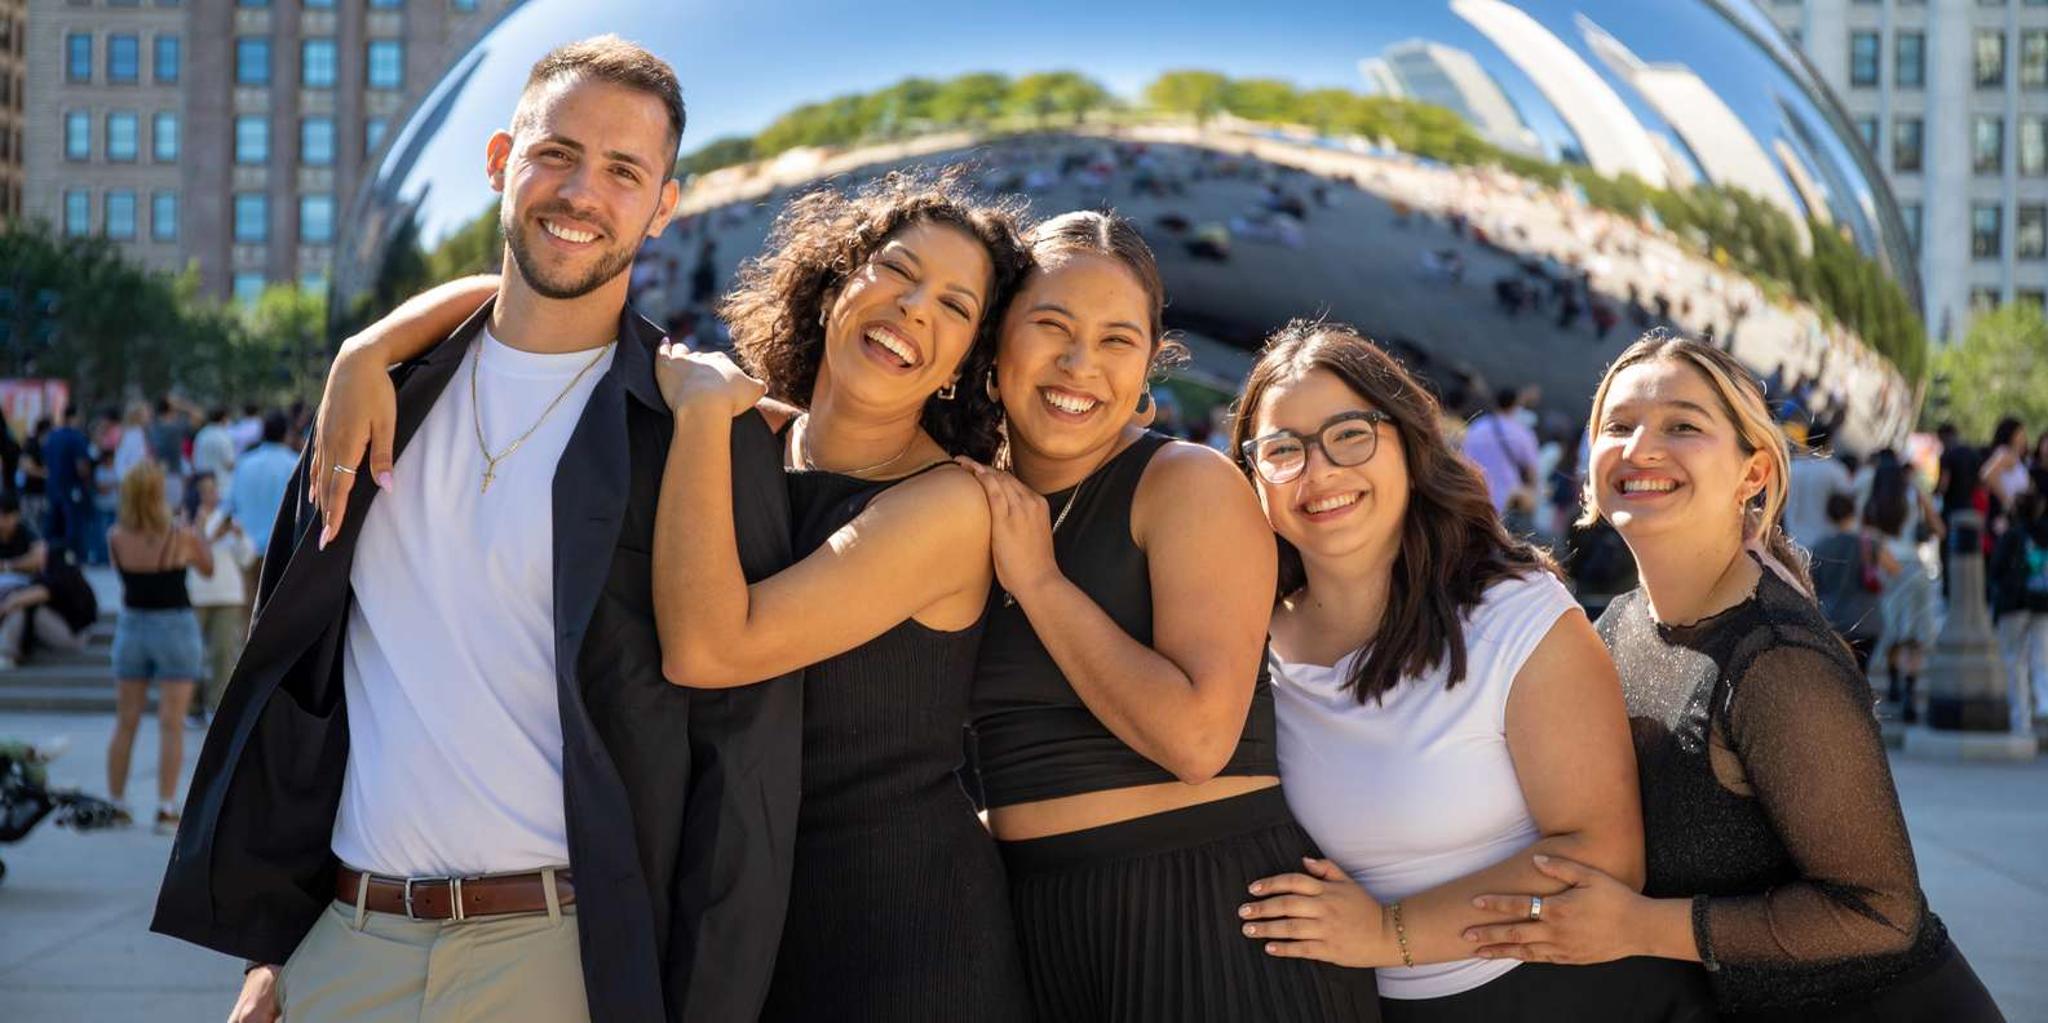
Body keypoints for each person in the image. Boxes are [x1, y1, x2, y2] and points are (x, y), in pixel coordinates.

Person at [154, 37, 795, 1023]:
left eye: (623, 171)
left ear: (664, 204)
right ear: (501, 160)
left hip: (559, 958)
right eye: (556, 153)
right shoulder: (377, 404)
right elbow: (305, 689)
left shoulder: (696, 434)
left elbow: (737, 764)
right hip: (347, 946)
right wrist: (276, 947)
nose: (581, 193)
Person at [1462, 332, 2002, 1022]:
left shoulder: (1777, 659)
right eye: (1619, 426)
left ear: (1753, 474)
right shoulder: (1618, 625)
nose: (1640, 448)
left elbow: (1882, 912)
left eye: (1682, 425)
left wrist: (1636, 924)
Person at [960, 214, 1379, 1020]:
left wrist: (1040, 582)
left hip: (1214, 914)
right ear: (995, 341)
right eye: (1051, 326)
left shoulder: (1186, 483)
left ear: (1150, 363)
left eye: (1118, 339)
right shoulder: (966, 494)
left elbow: (1196, 740)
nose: (1080, 364)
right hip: (1037, 926)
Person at [1232, 322, 1709, 1021]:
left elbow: (1604, 856)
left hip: (1556, 998)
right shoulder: (1247, 635)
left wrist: (1382, 930)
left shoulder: (1509, 612)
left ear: (1408, 444)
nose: (1319, 471)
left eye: (1349, 435)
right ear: (1252, 476)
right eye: (1283, 449)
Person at [653, 170, 1034, 1022]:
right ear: (835, 284)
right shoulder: (758, 443)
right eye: (897, 271)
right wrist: (371, 350)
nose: (914, 308)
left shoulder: (947, 508)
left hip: (904, 942)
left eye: (955, 305)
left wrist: (703, 420)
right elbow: (560, 304)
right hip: (751, 925)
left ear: (961, 366)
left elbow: (708, 649)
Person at [105, 461, 211, 831]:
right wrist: (197, 529)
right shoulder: (179, 534)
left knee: (126, 722)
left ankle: (116, 802)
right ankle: (166, 807)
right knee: (172, 724)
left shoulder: (116, 535)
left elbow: (122, 575)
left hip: (132, 626)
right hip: (175, 628)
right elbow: (208, 567)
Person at [1864, 452, 1939, 723]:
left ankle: (1894, 680)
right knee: (1915, 633)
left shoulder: (1874, 499)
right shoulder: (1914, 493)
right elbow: (1937, 527)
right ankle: (1909, 690)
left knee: (1893, 627)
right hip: (1914, 566)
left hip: (1887, 566)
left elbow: (1867, 536)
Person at [183, 472, 257, 722]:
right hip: (195, 596)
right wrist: (204, 533)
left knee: (223, 653)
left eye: (213, 489)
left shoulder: (228, 521)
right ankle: (192, 707)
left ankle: (217, 709)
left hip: (227, 596)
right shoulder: (187, 522)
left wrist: (236, 536)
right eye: (205, 490)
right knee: (192, 656)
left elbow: (247, 557)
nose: (211, 495)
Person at [1808, 491, 1891, 675]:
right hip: (1867, 618)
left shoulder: (1819, 547)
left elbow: (1812, 585)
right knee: (1862, 673)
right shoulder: (1868, 543)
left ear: (1828, 515)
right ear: (1854, 513)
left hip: (1832, 620)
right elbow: (1895, 568)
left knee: (1841, 676)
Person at [1989, 491, 2048, 736]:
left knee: (2014, 661)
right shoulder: (2044, 534)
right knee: (2041, 658)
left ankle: (2021, 720)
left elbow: (1995, 569)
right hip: (2043, 603)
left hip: (2013, 605)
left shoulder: (2010, 535)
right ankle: (2044, 704)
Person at [226, 411, 298, 598]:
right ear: (287, 434)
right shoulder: (295, 464)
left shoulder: (244, 463)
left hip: (247, 550)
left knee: (248, 617)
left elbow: (229, 504)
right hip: (281, 551)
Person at [1461, 388, 1541, 534]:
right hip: (1507, 504)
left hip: (1472, 496)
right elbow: (1532, 472)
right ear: (1515, 405)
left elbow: (1463, 459)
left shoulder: (1477, 427)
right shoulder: (1523, 434)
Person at [41, 406, 94, 567]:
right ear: (75, 417)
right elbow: (82, 466)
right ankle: (74, 560)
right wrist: (87, 481)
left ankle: (52, 559)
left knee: (53, 527)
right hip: (72, 489)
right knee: (74, 526)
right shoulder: (77, 438)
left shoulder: (51, 437)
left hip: (53, 489)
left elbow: (46, 464)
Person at [1782, 444, 1852, 550]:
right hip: (1824, 543)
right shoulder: (1836, 471)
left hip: (1791, 538)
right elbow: (1847, 505)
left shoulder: (1792, 467)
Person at [1980, 418, 2033, 533]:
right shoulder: (2006, 454)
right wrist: (2007, 501)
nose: (2024, 437)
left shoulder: (2018, 458)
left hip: (2019, 514)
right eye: (2020, 433)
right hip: (2006, 517)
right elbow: (1987, 474)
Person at [192, 407, 238, 482]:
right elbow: (229, 463)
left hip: (202, 483)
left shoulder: (202, 433)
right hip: (220, 482)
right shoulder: (223, 436)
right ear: (224, 418)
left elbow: (195, 460)